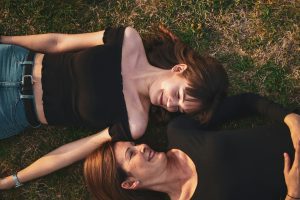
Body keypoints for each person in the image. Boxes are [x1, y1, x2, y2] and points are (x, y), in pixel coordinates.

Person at [0, 26, 228, 188]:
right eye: (178, 94)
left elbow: (72, 150)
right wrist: (5, 39)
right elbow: (59, 42)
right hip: (12, 62)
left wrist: (16, 179)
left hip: (12, 113)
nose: (170, 104)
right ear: (178, 69)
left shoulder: (135, 122)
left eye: (177, 109)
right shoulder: (128, 41)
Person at [83, 93, 300, 200]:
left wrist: (290, 119)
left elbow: (245, 103)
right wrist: (293, 194)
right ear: (130, 183)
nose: (141, 147)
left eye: (134, 144)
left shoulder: (179, 131)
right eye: (131, 154)